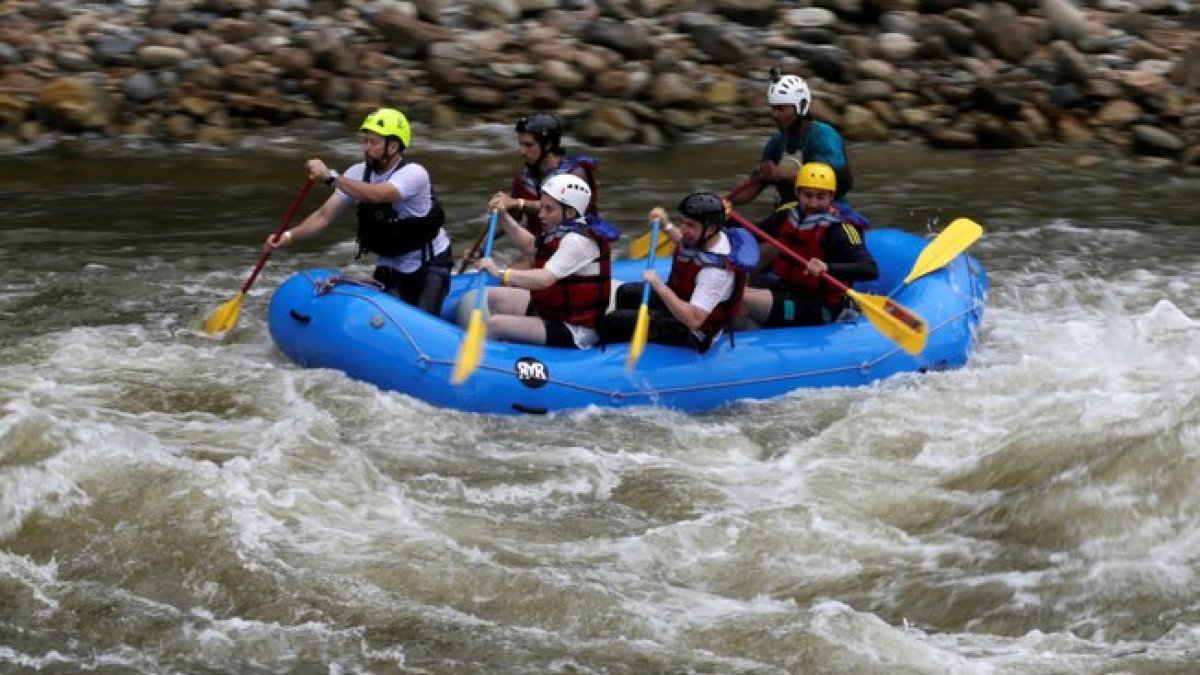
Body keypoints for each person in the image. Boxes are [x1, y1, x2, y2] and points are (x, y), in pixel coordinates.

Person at [263, 108, 452, 316]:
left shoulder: (414, 174)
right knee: (379, 320)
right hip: (390, 264)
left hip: (429, 265)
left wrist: (331, 176)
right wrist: (287, 237)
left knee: (421, 321)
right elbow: (323, 216)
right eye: (366, 141)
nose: (366, 147)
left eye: (374, 143)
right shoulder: (358, 173)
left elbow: (378, 195)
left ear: (394, 146)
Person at [599, 191, 758, 353]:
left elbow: (694, 320)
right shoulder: (708, 237)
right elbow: (686, 245)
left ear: (710, 229)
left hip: (694, 332)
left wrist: (659, 286)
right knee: (625, 292)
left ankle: (607, 360)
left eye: (690, 225)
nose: (682, 230)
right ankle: (624, 343)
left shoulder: (715, 273)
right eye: (682, 222)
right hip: (681, 301)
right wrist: (666, 225)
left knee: (615, 321)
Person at [474, 173, 619, 349]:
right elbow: (529, 245)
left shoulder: (578, 241)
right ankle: (514, 349)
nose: (541, 215)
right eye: (542, 207)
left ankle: (496, 360)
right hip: (553, 313)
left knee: (495, 324)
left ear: (570, 212)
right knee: (496, 297)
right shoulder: (563, 228)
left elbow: (544, 279)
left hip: (576, 330)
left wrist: (499, 273)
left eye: (548, 209)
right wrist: (504, 217)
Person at [739, 162, 878, 329]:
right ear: (797, 193)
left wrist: (827, 268)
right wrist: (722, 217)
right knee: (732, 290)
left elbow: (870, 269)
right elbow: (751, 234)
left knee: (742, 300)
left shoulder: (839, 230)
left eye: (820, 197)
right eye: (808, 195)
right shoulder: (788, 214)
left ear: (831, 197)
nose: (813, 204)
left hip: (820, 307)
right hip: (786, 290)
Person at [729, 68, 866, 234]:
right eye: (773, 109)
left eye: (781, 109)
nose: (775, 115)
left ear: (800, 106)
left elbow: (843, 183)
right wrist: (723, 203)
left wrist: (783, 175)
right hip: (789, 216)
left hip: (828, 214)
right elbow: (753, 187)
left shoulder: (823, 136)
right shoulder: (776, 143)